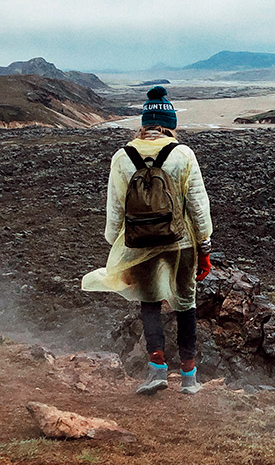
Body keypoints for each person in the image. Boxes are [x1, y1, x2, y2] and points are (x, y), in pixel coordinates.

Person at [82, 86, 213, 395]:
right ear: (170, 124)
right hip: (180, 244)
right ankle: (189, 377)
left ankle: (156, 369)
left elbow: (115, 212)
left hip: (139, 245)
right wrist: (204, 248)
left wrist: (120, 249)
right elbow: (198, 206)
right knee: (185, 304)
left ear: (143, 123)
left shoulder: (122, 157)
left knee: (150, 303)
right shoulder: (183, 155)